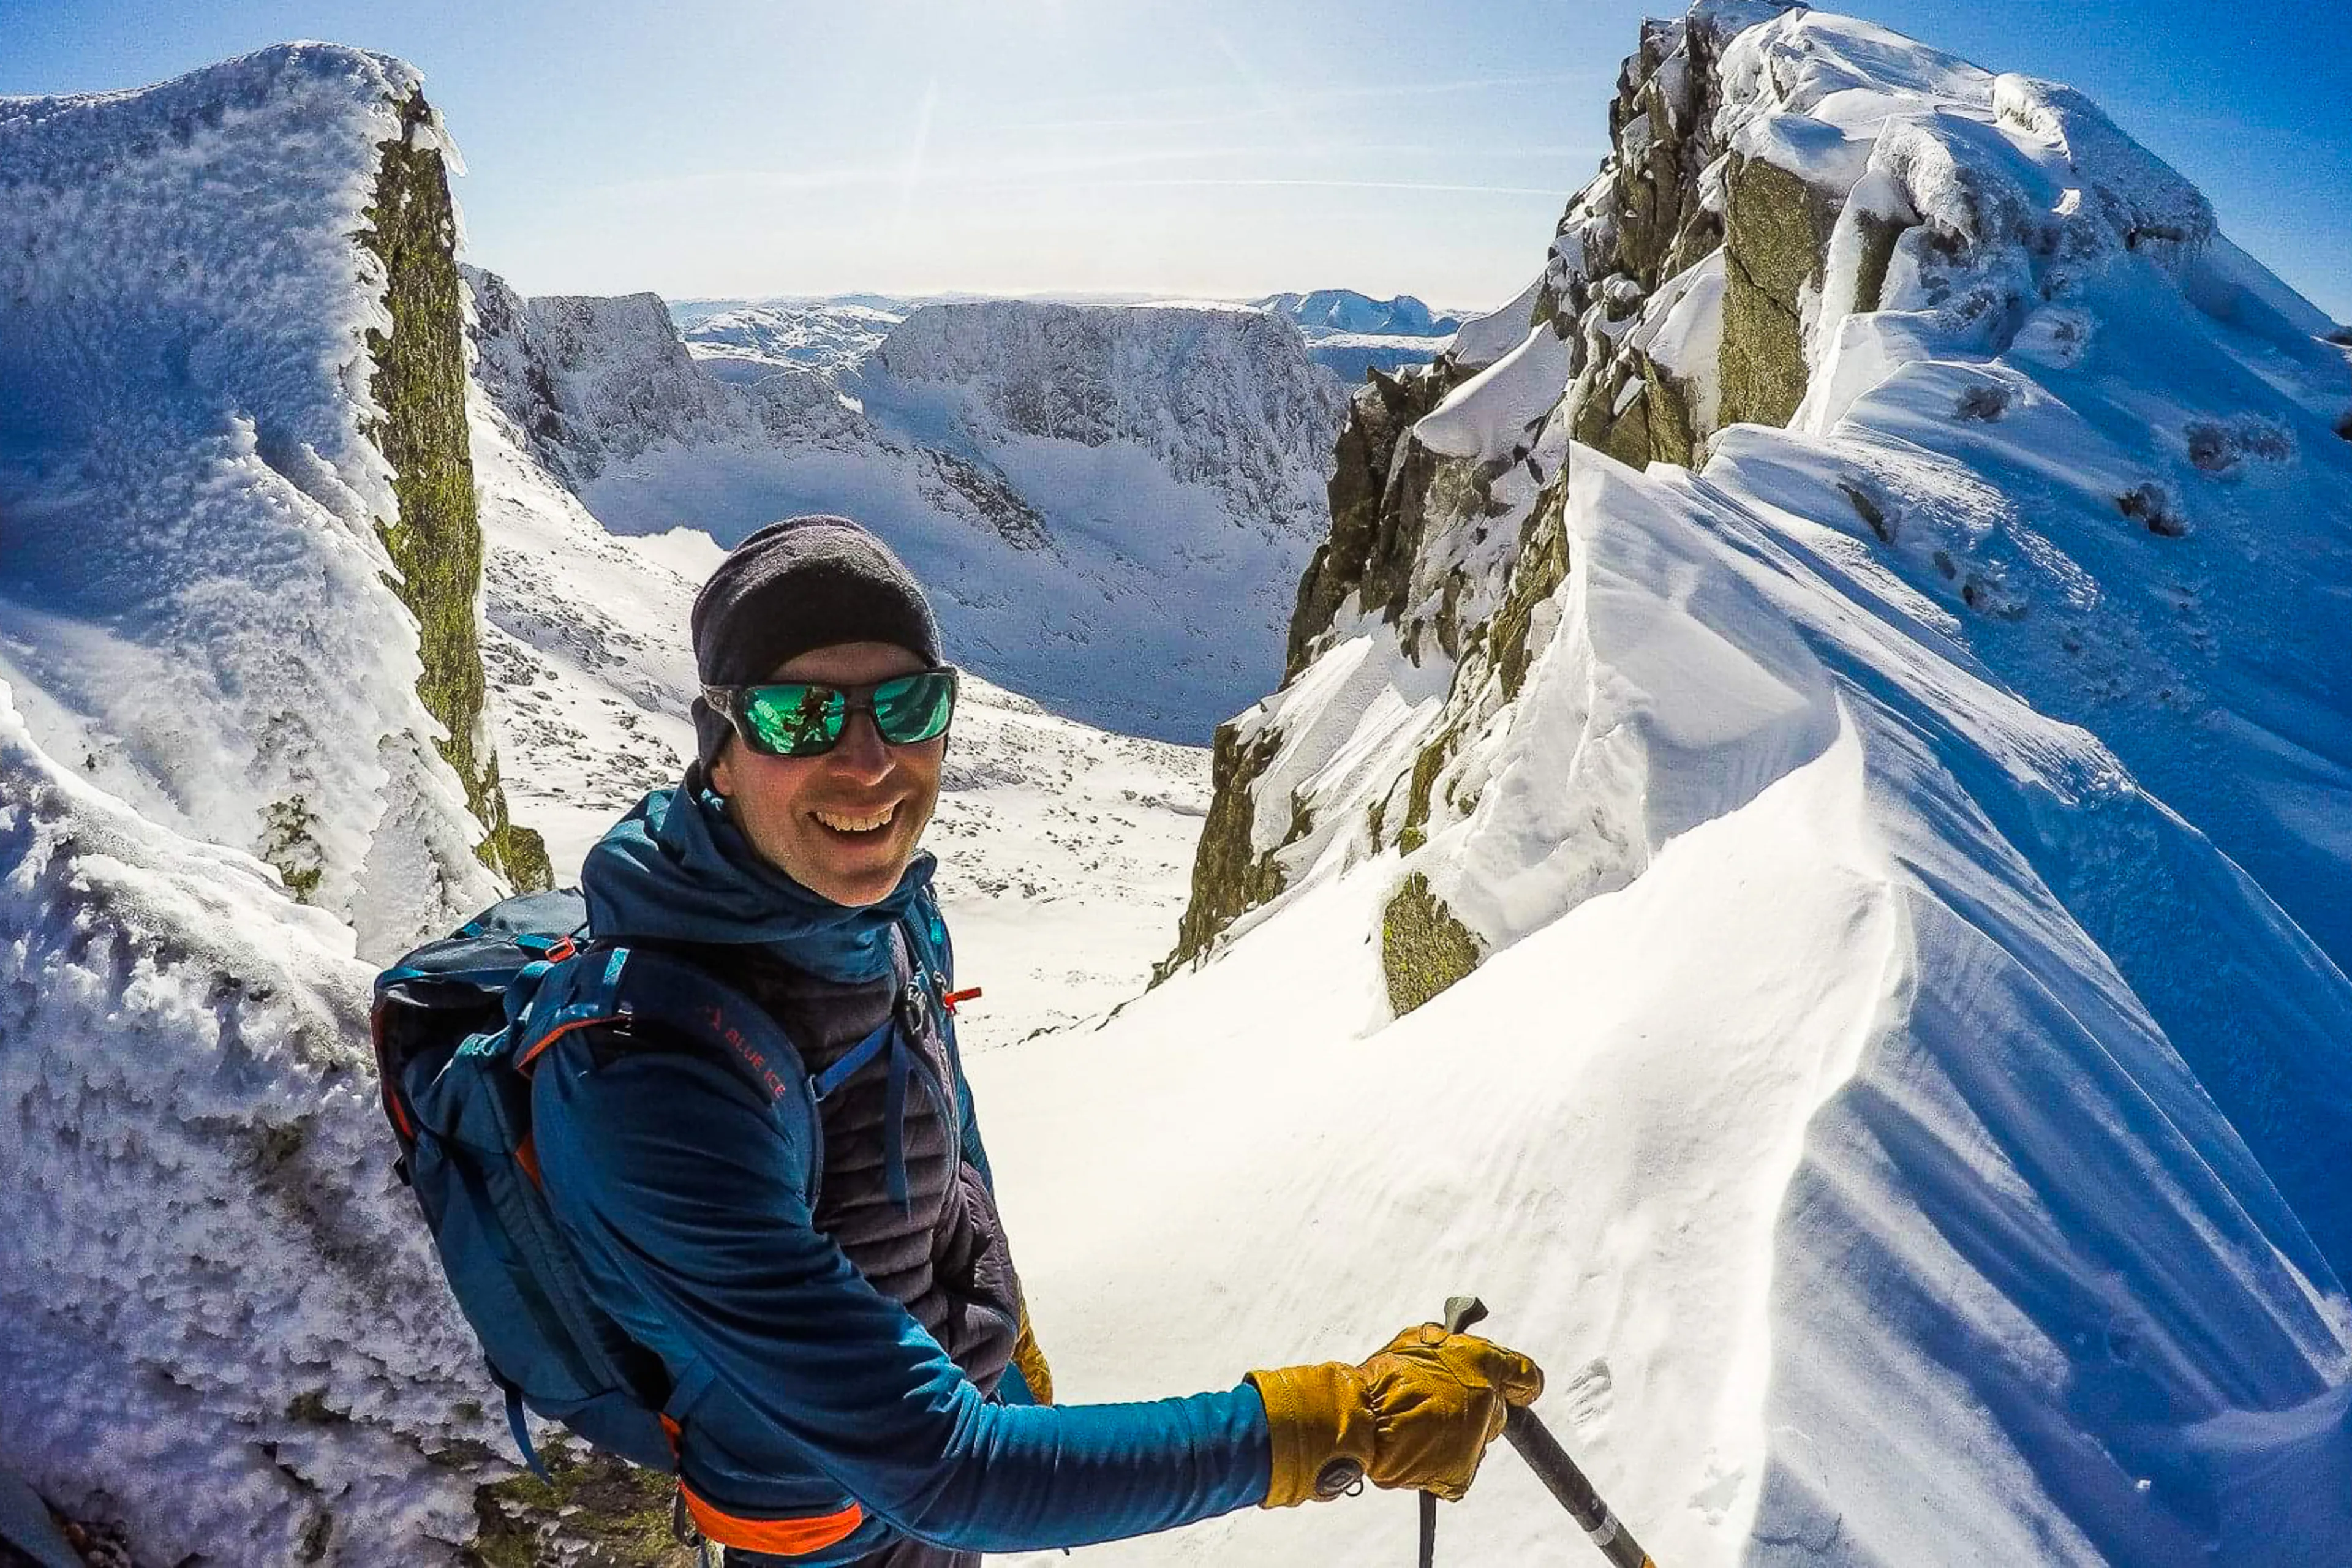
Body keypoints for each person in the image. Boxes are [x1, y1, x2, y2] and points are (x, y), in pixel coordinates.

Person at [529, 514, 1546, 1565]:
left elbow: (945, 1132)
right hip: (823, 1533)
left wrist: (1003, 1329)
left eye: (908, 705)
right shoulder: (651, 1078)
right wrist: (1345, 1423)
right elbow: (950, 1469)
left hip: (931, 1484)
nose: (870, 762)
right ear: (723, 751)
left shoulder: (882, 915)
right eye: (798, 716)